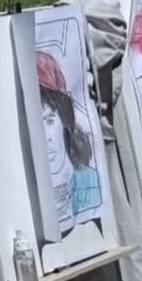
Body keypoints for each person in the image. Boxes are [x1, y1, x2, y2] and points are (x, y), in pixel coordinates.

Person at [36, 50, 101, 220]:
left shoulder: (91, 184)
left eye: (50, 120)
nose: (45, 137)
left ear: (64, 119)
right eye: (36, 124)